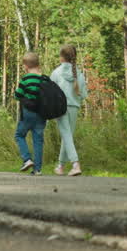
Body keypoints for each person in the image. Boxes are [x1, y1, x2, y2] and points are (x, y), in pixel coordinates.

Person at [50, 45, 88, 176]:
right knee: (68, 136)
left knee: (66, 136)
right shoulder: (79, 74)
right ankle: (60, 166)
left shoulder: (56, 73)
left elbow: (50, 94)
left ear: (61, 57)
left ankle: (75, 164)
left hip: (60, 108)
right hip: (74, 108)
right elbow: (83, 95)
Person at [13, 52, 51, 175]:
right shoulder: (45, 78)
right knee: (38, 140)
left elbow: (18, 95)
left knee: (19, 135)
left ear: (25, 66)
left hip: (28, 113)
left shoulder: (26, 79)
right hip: (42, 114)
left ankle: (27, 159)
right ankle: (38, 169)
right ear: (38, 64)